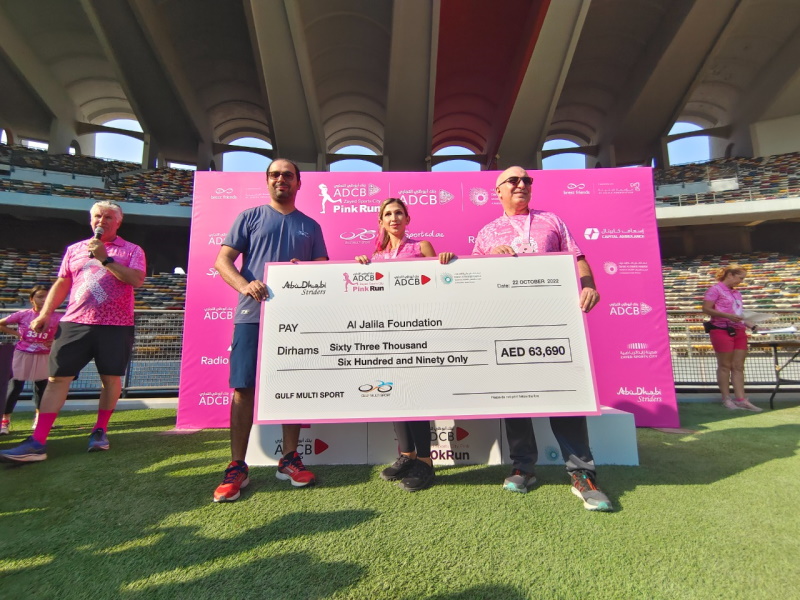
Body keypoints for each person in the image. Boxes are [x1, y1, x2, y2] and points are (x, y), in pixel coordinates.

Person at [472, 166, 612, 511]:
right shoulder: (486, 233)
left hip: (554, 322)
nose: (521, 184)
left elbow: (578, 258)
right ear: (498, 191)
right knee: (515, 394)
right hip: (507, 324)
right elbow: (472, 278)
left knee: (565, 392)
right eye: (513, 180)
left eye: (527, 180)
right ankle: (523, 466)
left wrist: (589, 286)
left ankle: (581, 472)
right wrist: (489, 260)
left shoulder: (552, 221)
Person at [212, 158, 328, 502]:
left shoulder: (311, 225)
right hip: (252, 316)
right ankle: (237, 465)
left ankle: (289, 459)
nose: (281, 179)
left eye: (288, 175)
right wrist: (245, 286)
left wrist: (303, 271)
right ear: (267, 181)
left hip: (297, 319)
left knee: (292, 386)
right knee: (243, 387)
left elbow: (323, 267)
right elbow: (222, 261)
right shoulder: (249, 217)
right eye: (275, 174)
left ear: (298, 183)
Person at [0, 201, 146, 462]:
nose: (102, 221)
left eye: (108, 217)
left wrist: (105, 258)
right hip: (75, 322)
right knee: (57, 379)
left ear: (118, 222)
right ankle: (38, 441)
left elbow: (135, 279)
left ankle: (100, 430)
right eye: (98, 216)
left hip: (116, 325)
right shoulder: (75, 249)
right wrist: (45, 314)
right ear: (91, 220)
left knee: (110, 379)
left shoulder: (132, 250)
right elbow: (62, 282)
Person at [355, 198, 455, 492]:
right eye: (388, 214)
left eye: (399, 212)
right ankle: (407, 455)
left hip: (417, 331)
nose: (394, 218)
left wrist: (445, 261)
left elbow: (439, 284)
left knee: (415, 394)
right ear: (381, 221)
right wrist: (361, 268)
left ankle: (426, 461)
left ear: (407, 218)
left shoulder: (422, 246)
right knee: (394, 391)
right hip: (387, 334)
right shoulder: (377, 256)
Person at [0, 286, 62, 435]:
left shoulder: (57, 317)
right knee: (14, 387)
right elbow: (1, 323)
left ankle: (39, 419)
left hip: (44, 355)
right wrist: (17, 334)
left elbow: (66, 333)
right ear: (31, 299)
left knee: (42, 388)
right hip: (23, 354)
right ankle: (5, 421)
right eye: (40, 296)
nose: (44, 300)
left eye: (47, 296)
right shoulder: (23, 315)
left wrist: (55, 341)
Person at [702, 265, 761, 412]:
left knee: (738, 366)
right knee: (725, 366)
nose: (741, 281)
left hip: (739, 330)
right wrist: (727, 316)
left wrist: (752, 325)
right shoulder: (715, 290)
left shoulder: (736, 293)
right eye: (740, 278)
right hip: (721, 330)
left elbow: (738, 314)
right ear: (730, 275)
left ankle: (741, 399)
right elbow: (706, 309)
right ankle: (726, 398)